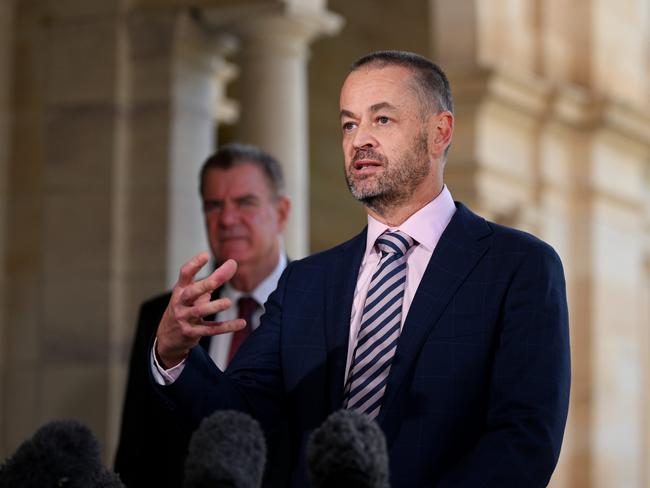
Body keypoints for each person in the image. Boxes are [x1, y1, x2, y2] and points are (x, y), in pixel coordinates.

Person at [152, 51, 571, 487]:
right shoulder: (305, 283)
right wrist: (173, 355)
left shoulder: (518, 267)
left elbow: (524, 442)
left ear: (439, 132)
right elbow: (237, 420)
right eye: (349, 124)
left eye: (382, 120)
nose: (360, 140)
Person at [114, 143, 291, 487]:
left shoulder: (323, 305)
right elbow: (137, 454)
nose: (226, 219)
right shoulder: (165, 317)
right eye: (213, 205)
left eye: (245, 203)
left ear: (281, 213)